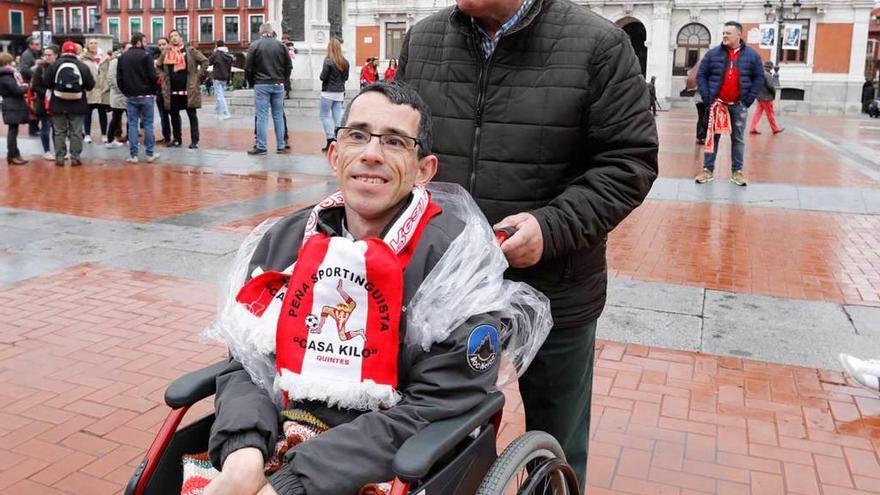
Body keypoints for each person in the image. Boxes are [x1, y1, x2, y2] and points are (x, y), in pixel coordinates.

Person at [397, 0, 659, 490]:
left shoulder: (599, 44)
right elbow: (403, 141)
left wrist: (551, 227)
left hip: (556, 287)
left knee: (555, 441)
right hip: (444, 291)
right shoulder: (424, 39)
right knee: (434, 436)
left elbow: (630, 163)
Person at [199, 81, 501, 495]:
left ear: (424, 169)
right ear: (334, 154)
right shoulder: (285, 240)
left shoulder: (454, 260)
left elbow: (439, 402)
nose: (371, 154)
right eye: (357, 135)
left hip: (381, 460)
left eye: (395, 142)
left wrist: (292, 484)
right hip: (273, 437)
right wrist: (242, 451)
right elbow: (246, 365)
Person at [695, 21, 764, 187]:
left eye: (728, 33)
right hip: (717, 104)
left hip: (739, 105)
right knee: (712, 137)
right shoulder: (713, 54)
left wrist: (748, 99)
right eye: (723, 33)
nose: (724, 36)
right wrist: (707, 97)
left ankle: (737, 172)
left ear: (739, 35)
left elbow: (759, 78)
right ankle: (707, 170)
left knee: (738, 139)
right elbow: (701, 75)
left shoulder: (752, 56)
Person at [44, 41, 96, 167]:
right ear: (75, 52)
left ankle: (60, 158)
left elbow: (47, 83)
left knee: (59, 131)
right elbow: (90, 85)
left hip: (58, 103)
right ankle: (75, 158)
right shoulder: (82, 66)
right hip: (77, 104)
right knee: (76, 132)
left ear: (62, 51)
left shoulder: (54, 65)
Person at [245, 23, 291, 155]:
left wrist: (252, 82)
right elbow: (289, 65)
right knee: (278, 116)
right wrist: (284, 80)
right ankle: (281, 145)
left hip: (261, 84)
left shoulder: (255, 45)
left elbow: (248, 67)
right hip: (278, 84)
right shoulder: (281, 46)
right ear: (272, 32)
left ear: (261, 33)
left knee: (262, 116)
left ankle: (262, 146)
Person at [158, 29, 208, 149]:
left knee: (192, 115)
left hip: (188, 90)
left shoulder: (190, 51)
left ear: (181, 38)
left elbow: (205, 61)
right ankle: (177, 139)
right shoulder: (166, 52)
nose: (174, 38)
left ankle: (194, 141)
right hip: (172, 91)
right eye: (171, 36)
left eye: (176, 36)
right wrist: (162, 77)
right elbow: (158, 66)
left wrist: (197, 77)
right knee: (174, 116)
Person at [117, 32, 160, 164]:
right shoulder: (147, 56)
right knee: (148, 124)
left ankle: (134, 155)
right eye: (145, 41)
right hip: (146, 95)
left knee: (132, 124)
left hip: (131, 96)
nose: (146, 44)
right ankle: (149, 153)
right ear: (139, 42)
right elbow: (153, 76)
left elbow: (119, 79)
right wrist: (153, 91)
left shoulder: (122, 57)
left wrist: (126, 91)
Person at [319, 38, 349, 152]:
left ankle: (330, 138)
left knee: (324, 116)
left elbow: (323, 77)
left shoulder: (328, 61)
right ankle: (339, 139)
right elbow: (345, 78)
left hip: (328, 91)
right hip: (340, 91)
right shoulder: (344, 61)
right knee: (338, 115)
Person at [0, 52, 30, 165]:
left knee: (13, 130)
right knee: (13, 131)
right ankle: (13, 155)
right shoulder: (7, 76)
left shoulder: (6, 75)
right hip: (12, 104)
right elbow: (16, 90)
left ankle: (13, 154)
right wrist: (25, 87)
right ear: (6, 63)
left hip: (11, 104)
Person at [30, 46, 57, 160]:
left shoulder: (58, 66)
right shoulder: (39, 69)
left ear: (56, 55)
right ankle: (46, 151)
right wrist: (47, 93)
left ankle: (58, 150)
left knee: (57, 129)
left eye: (49, 55)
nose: (47, 57)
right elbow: (35, 86)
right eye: (45, 55)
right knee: (46, 127)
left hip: (56, 102)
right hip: (43, 103)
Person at [81, 38, 109, 144]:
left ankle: (104, 134)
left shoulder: (104, 57)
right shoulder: (83, 58)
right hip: (89, 90)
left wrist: (107, 86)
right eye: (91, 43)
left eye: (95, 43)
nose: (93, 45)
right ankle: (87, 134)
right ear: (87, 45)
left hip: (102, 90)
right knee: (87, 113)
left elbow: (107, 72)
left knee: (103, 113)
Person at [749, 61, 783, 135]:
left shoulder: (758, 74)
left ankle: (753, 127)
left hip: (759, 97)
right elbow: (771, 86)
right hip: (767, 97)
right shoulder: (767, 75)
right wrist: (774, 94)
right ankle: (775, 129)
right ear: (770, 67)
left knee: (757, 113)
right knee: (770, 114)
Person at [106, 44, 130, 148]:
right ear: (122, 49)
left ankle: (130, 138)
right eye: (128, 49)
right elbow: (111, 79)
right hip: (118, 95)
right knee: (116, 117)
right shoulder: (115, 61)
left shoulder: (130, 61)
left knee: (131, 118)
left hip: (129, 94)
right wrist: (121, 90)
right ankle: (110, 140)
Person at [19, 37, 42, 137]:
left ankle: (35, 128)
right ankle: (33, 129)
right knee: (33, 106)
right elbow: (24, 70)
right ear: (30, 45)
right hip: (30, 84)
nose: (38, 46)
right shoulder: (27, 55)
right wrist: (36, 72)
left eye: (38, 44)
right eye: (36, 44)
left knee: (35, 106)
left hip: (33, 83)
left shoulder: (33, 54)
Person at [209, 40, 234, 120]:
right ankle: (217, 112)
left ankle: (226, 113)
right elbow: (229, 68)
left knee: (220, 96)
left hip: (217, 78)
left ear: (217, 46)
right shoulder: (228, 55)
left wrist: (214, 52)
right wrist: (229, 79)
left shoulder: (216, 54)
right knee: (219, 96)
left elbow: (209, 62)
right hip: (225, 78)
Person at [154, 37, 172, 145]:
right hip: (159, 90)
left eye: (163, 44)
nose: (161, 47)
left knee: (173, 115)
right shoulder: (157, 58)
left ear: (168, 44)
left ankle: (176, 137)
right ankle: (166, 136)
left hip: (170, 90)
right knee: (163, 115)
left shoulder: (172, 55)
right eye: (160, 45)